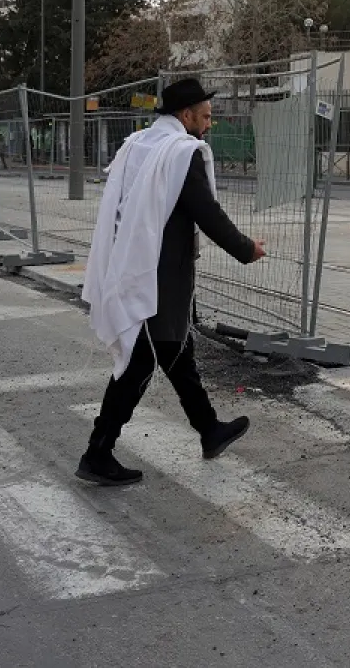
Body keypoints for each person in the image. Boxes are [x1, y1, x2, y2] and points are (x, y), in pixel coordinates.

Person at [76, 78, 267, 486]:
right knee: (143, 360)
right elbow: (206, 211)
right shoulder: (181, 152)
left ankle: (209, 430)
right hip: (158, 276)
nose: (209, 125)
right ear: (186, 116)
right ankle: (97, 452)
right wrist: (246, 248)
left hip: (136, 266)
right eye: (206, 117)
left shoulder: (139, 144)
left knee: (178, 353)